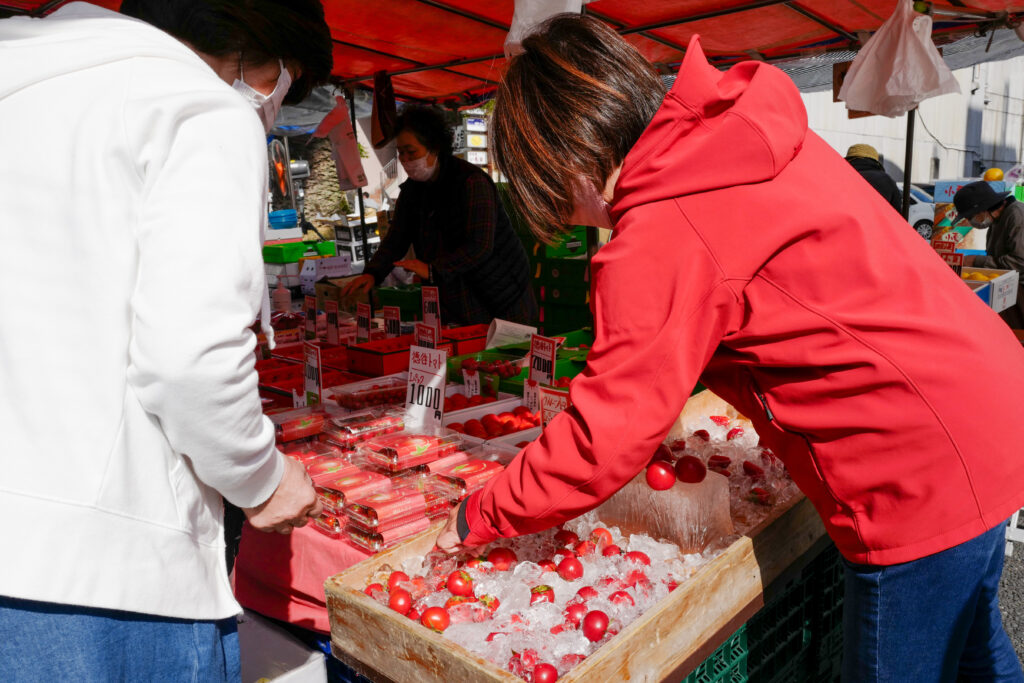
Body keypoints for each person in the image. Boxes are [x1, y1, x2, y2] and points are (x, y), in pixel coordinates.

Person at [436, 15, 1024, 683]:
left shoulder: (660, 225)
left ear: (563, 161)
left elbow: (603, 440)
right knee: (977, 652)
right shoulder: (724, 135)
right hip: (984, 403)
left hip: (915, 466)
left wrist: (477, 511)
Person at [0, 1, 332, 679]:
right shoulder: (201, 108)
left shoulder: (25, 79)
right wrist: (263, 480)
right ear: (250, 53)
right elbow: (190, 361)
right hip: (105, 580)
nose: (273, 103)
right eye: (285, 80)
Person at [341, 106, 537, 326]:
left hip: (500, 293)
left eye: (411, 151)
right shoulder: (412, 191)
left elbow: (480, 245)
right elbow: (397, 238)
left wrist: (434, 270)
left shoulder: (471, 182)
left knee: (503, 357)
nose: (405, 160)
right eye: (400, 153)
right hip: (455, 293)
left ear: (434, 149)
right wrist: (373, 273)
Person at [955, 180, 1024, 329]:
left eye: (970, 216)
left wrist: (977, 261)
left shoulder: (1016, 215)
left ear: (982, 210)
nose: (970, 221)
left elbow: (1019, 262)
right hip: (1008, 288)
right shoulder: (996, 220)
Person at [845, 143, 903, 212]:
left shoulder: (841, 178)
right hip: (878, 222)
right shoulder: (887, 180)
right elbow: (897, 215)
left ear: (849, 160)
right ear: (875, 161)